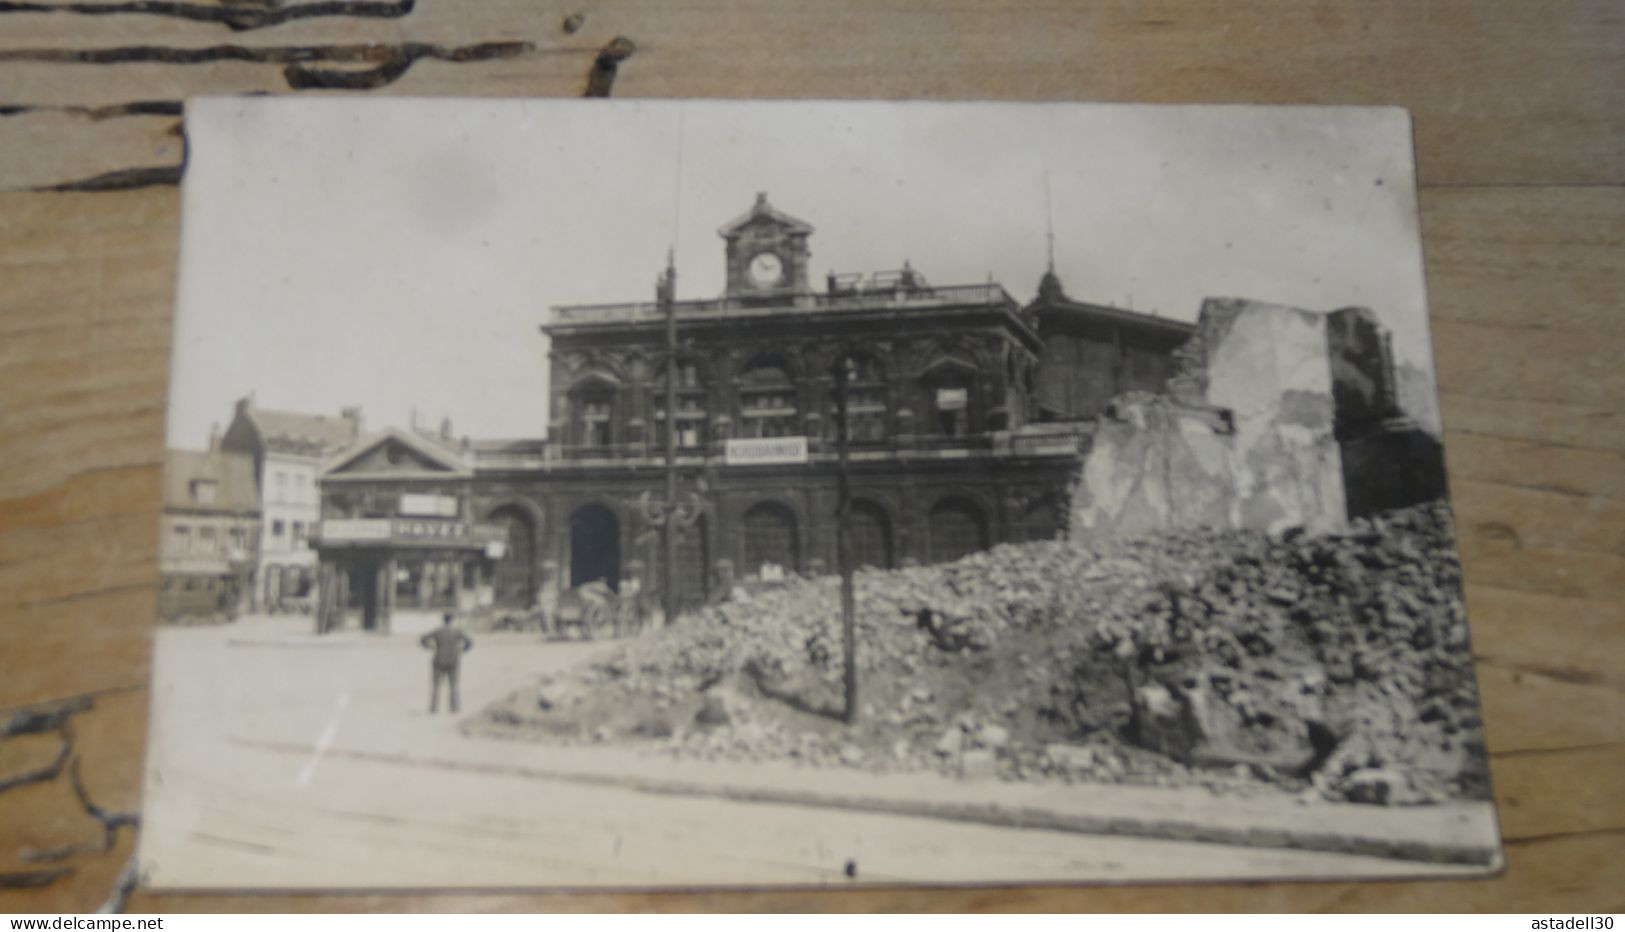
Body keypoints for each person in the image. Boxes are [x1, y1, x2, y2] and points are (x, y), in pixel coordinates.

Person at [420, 612, 473, 713]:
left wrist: (429, 647)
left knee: (436, 686)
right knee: (453, 685)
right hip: (453, 660)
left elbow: (423, 639)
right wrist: (462, 650)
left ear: (443, 620)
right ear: (452, 620)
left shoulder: (438, 631)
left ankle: (434, 708)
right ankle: (454, 708)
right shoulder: (457, 631)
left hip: (439, 659)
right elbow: (469, 642)